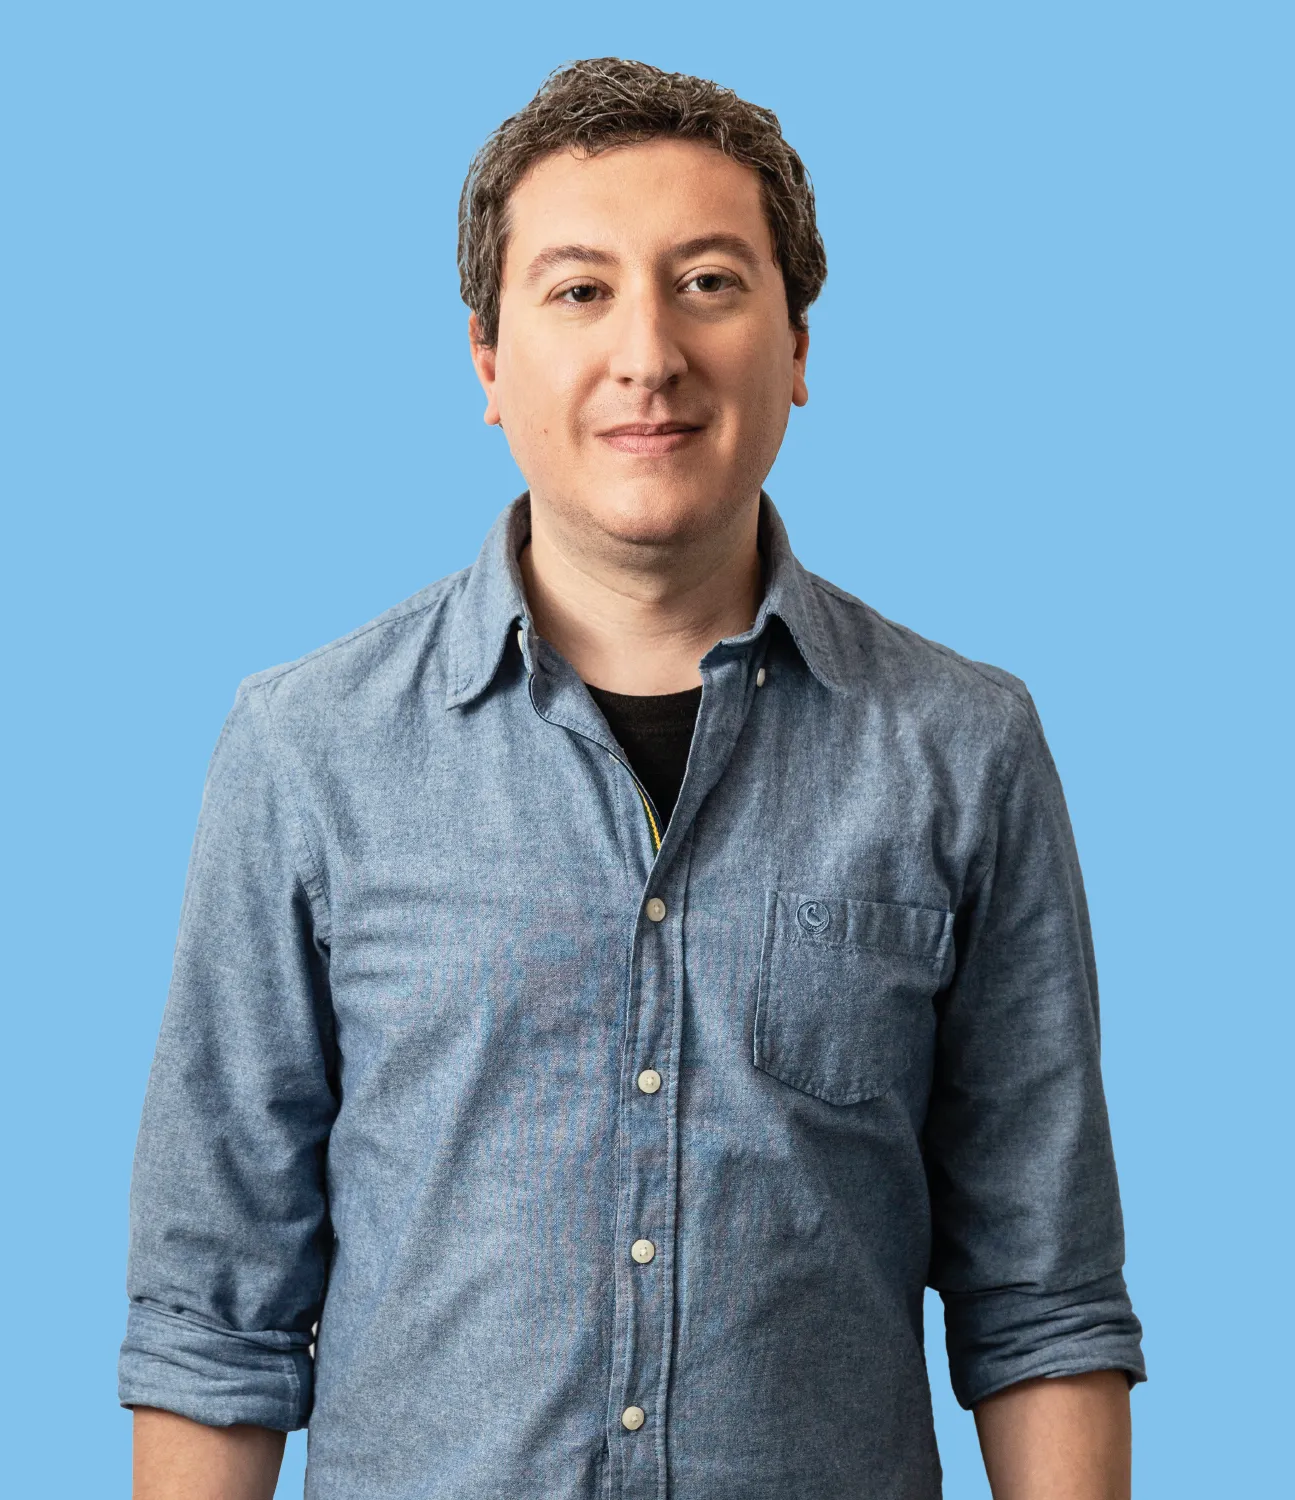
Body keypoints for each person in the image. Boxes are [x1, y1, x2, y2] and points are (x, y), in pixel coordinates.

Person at [120, 57, 1145, 1500]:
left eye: (709, 283)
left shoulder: (964, 749)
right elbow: (214, 1320)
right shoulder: (307, 750)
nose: (647, 353)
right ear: (488, 359)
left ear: (798, 343)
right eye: (580, 290)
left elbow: (1041, 1299)